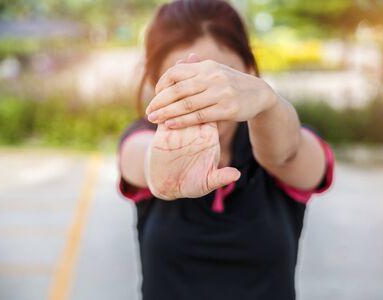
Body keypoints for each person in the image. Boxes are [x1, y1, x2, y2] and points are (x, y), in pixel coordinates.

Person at [118, 1, 334, 299]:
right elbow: (137, 159)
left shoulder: (276, 135)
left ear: (248, 70)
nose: (207, 98)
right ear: (156, 82)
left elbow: (288, 153)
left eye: (222, 78)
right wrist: (157, 169)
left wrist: (268, 103)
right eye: (184, 82)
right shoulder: (146, 137)